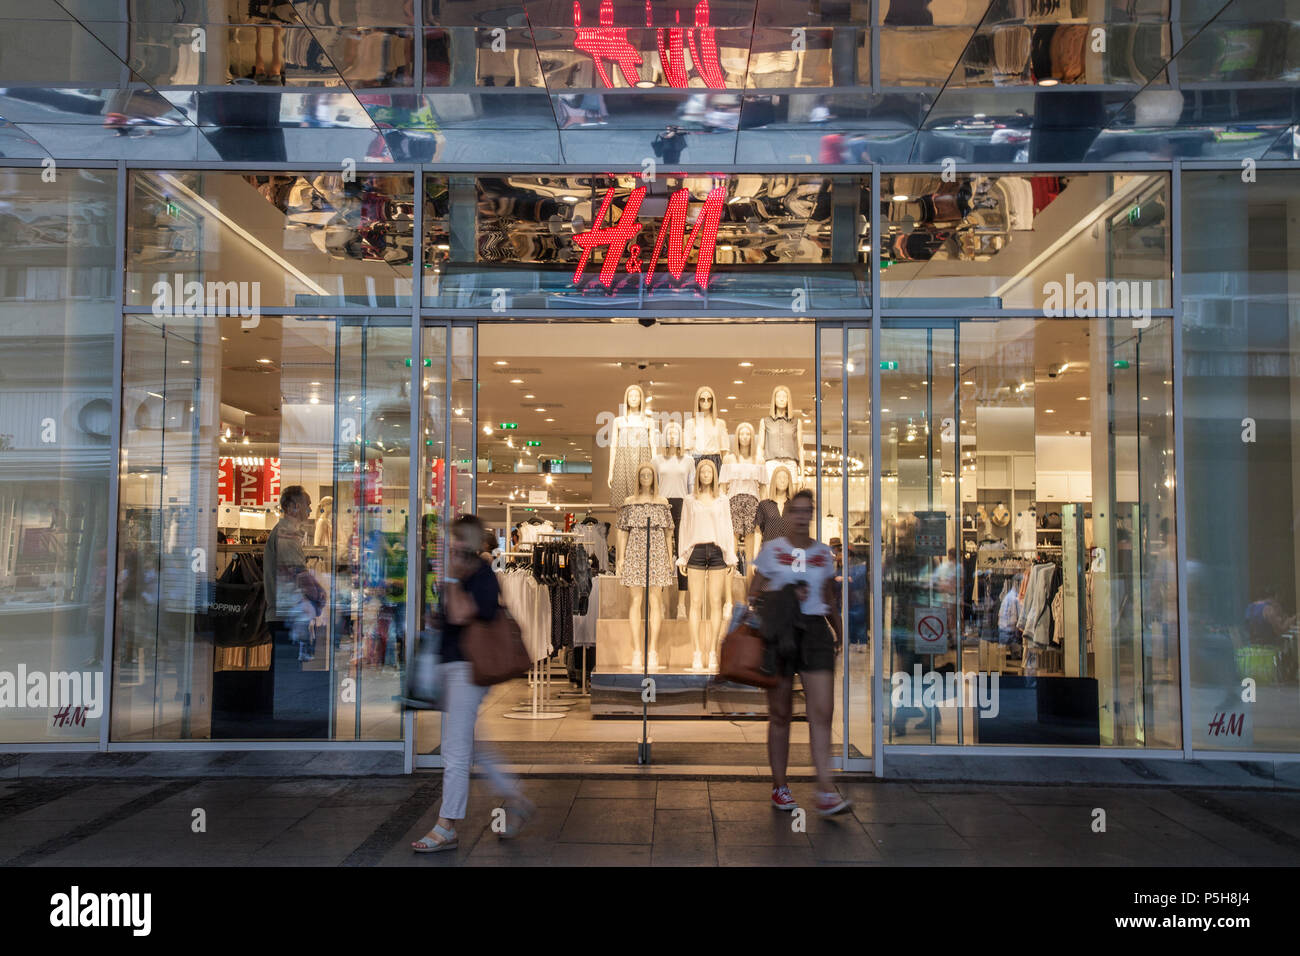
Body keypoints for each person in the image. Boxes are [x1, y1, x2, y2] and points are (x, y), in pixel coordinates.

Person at [412, 515, 533, 853]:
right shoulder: (462, 574)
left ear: (466, 542)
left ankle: (446, 825)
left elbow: (462, 614)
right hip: (452, 667)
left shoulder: (483, 575)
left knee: (455, 750)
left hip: (470, 670)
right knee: (473, 746)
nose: (449, 546)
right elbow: (448, 617)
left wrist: (449, 578)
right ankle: (515, 797)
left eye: (454, 541)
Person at [748, 488, 850, 816]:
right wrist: (785, 594)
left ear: (812, 514)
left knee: (822, 713)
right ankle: (780, 786)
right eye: (797, 511)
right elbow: (753, 592)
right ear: (787, 514)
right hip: (780, 631)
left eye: (808, 511)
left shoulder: (823, 553)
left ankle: (825, 790)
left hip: (815, 631)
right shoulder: (771, 550)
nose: (802, 516)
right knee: (780, 715)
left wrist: (840, 630)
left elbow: (828, 597)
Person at [264, 486, 325, 651]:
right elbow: (297, 573)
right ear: (293, 507)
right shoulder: (286, 534)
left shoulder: (285, 533)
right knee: (285, 670)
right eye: (307, 504)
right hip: (285, 617)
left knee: (282, 668)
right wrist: (319, 596)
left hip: (285, 615)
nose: (310, 509)